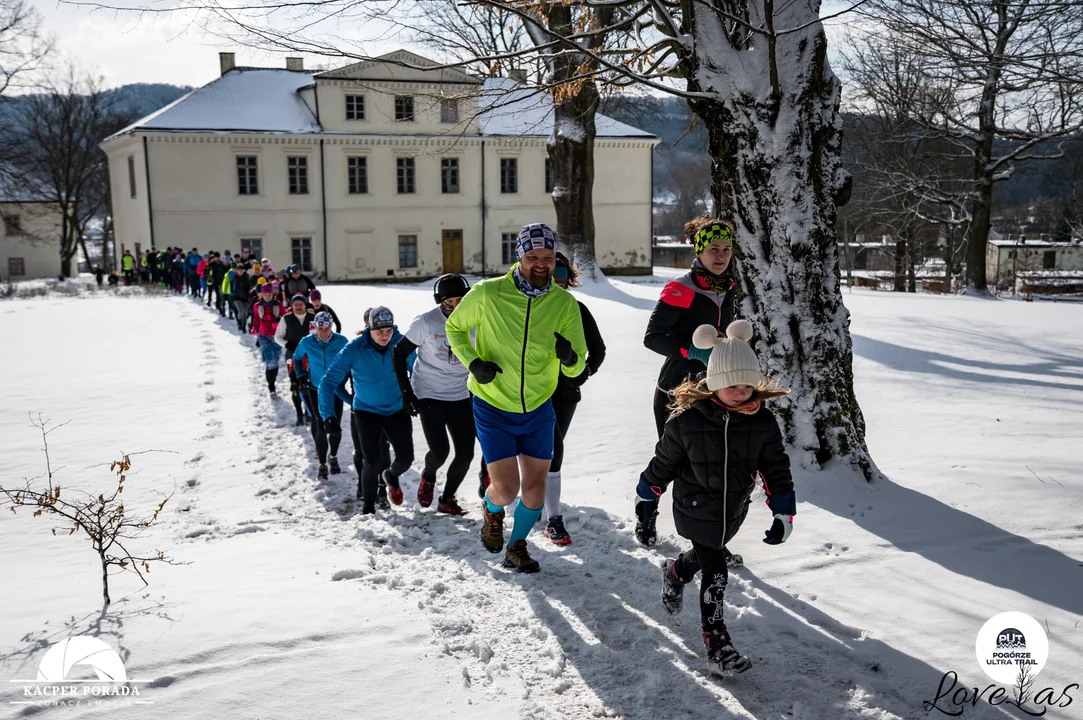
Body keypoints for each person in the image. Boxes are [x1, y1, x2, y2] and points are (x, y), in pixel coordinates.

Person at [634, 320, 795, 676]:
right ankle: (716, 641)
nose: (741, 392)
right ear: (715, 383)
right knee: (717, 570)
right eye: (732, 385)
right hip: (694, 508)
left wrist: (783, 511)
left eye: (747, 384)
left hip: (732, 510)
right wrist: (647, 497)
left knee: (708, 554)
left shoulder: (762, 422)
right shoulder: (686, 422)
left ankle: (677, 571)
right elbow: (663, 465)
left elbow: (775, 468)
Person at [445, 223, 587, 573]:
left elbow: (578, 365)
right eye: (532, 256)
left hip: (539, 407)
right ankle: (492, 511)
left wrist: (570, 359)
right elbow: (455, 328)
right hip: (493, 404)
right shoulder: (488, 293)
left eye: (548, 257)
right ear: (519, 256)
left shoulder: (564, 304)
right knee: (506, 491)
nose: (541, 264)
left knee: (536, 494)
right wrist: (473, 362)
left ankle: (516, 546)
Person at [643, 217, 742, 566]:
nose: (721, 255)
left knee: (710, 469)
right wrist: (690, 351)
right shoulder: (681, 288)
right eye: (714, 249)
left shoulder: (728, 288)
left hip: (714, 390)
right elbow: (652, 337)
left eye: (727, 249)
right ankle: (646, 507)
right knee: (673, 464)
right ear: (700, 251)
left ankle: (710, 543)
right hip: (676, 390)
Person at [391, 274, 474, 517]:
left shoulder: (475, 320)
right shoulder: (426, 322)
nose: (458, 306)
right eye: (452, 302)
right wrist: (406, 393)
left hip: (460, 393)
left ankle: (447, 498)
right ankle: (428, 476)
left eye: (462, 300)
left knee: (466, 453)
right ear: (441, 302)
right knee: (440, 452)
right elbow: (399, 354)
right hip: (429, 393)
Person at [319, 306, 415, 515]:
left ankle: (390, 475)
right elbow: (328, 382)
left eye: (388, 331)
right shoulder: (355, 348)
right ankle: (368, 508)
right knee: (371, 460)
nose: (384, 336)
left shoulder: (401, 344)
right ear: (369, 328)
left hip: (397, 410)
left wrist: (413, 395)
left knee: (406, 458)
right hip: (366, 412)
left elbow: (420, 371)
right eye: (379, 331)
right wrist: (328, 414)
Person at [542, 253, 606, 545]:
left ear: (568, 279)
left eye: (561, 277)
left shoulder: (578, 310)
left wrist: (581, 373)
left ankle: (548, 513)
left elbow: (598, 350)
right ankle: (493, 487)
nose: (556, 283)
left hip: (565, 394)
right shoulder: (528, 309)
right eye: (550, 277)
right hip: (528, 392)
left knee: (551, 451)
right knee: (538, 448)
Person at [294, 312, 348, 481]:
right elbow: (296, 358)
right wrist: (301, 376)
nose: (323, 332)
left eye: (326, 328)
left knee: (335, 424)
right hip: (315, 388)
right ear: (314, 327)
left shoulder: (341, 341)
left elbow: (351, 361)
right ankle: (323, 464)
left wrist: (345, 378)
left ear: (331, 327)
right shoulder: (306, 342)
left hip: (335, 389)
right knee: (319, 423)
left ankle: (333, 456)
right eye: (320, 328)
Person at [276, 293, 316, 426]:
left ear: (305, 305)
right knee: (295, 384)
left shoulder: (313, 318)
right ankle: (299, 413)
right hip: (291, 357)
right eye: (295, 304)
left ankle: (308, 412)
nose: (298, 307)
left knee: (309, 384)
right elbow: (278, 337)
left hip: (310, 357)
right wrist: (287, 345)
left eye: (301, 304)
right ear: (292, 306)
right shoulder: (286, 319)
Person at [252, 283, 285, 395]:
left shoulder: (278, 304)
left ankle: (273, 380)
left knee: (276, 358)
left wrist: (279, 324)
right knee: (269, 359)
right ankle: (271, 387)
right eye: (265, 294)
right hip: (263, 334)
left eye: (269, 294)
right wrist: (254, 328)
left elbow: (284, 316)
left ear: (272, 294)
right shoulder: (257, 305)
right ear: (262, 294)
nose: (267, 297)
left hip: (276, 335)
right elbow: (256, 318)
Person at [231, 264, 252, 331]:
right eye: (238, 270)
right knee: (241, 310)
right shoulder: (234, 277)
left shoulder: (247, 277)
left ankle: (244, 325)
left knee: (245, 311)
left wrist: (249, 294)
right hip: (237, 297)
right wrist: (233, 294)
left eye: (241, 270)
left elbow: (249, 287)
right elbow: (231, 287)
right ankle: (240, 322)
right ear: (236, 271)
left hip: (245, 297)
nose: (240, 271)